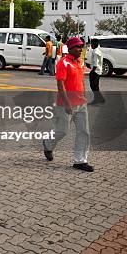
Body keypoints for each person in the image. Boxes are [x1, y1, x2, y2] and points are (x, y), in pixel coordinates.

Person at [43, 36, 93, 172]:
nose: (80, 49)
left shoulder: (81, 62)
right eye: (77, 47)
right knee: (62, 131)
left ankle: (80, 161)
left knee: (84, 132)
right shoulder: (63, 63)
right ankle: (48, 144)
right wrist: (67, 104)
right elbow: (60, 84)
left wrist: (84, 94)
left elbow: (81, 80)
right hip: (65, 103)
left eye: (81, 47)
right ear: (70, 48)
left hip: (81, 103)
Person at [89, 38, 105, 105]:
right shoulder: (99, 50)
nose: (91, 45)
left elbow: (95, 63)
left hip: (95, 71)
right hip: (99, 70)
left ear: (94, 44)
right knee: (96, 86)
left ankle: (97, 99)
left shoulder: (95, 52)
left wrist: (92, 71)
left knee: (93, 86)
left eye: (91, 44)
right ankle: (100, 99)